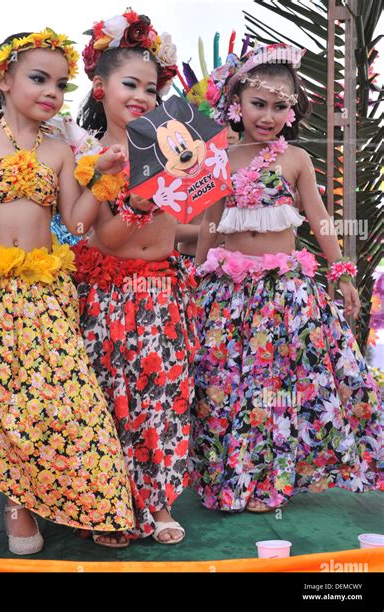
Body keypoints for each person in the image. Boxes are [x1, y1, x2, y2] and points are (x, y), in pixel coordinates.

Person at [0, 28, 134, 557]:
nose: (52, 93)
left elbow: (78, 225)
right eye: (39, 78)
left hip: (43, 293)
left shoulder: (60, 152)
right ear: (5, 78)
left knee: (39, 400)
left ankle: (21, 504)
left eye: (60, 84)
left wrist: (102, 179)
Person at [189, 43, 382, 513]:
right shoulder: (218, 159)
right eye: (259, 104)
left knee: (273, 387)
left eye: (281, 106)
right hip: (229, 294)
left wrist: (342, 277)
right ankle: (231, 481)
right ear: (236, 103)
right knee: (226, 386)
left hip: (285, 294)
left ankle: (271, 483)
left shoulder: (295, 159)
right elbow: (210, 226)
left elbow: (319, 221)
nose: (268, 115)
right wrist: (192, 282)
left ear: (292, 111)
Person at [70, 9, 199, 546]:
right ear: (100, 88)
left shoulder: (173, 146)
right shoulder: (88, 157)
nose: (142, 95)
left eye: (151, 86)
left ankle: (161, 504)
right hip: (111, 295)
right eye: (131, 84)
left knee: (164, 397)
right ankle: (113, 510)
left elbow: (187, 225)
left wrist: (192, 186)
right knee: (112, 399)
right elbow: (95, 236)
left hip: (164, 292)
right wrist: (141, 201)